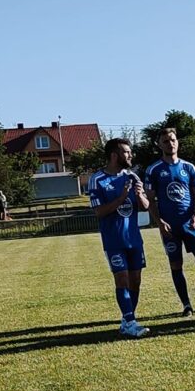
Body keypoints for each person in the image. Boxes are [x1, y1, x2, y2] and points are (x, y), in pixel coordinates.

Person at [143, 128, 195, 317]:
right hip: (170, 227)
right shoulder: (154, 170)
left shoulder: (189, 167)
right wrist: (160, 222)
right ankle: (186, 305)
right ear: (159, 145)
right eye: (165, 141)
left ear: (177, 142)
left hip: (191, 224)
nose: (170, 143)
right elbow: (150, 200)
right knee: (176, 265)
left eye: (172, 140)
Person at [87, 138, 150, 337]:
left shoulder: (132, 177)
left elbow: (146, 206)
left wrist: (139, 196)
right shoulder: (97, 179)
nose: (130, 156)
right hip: (114, 240)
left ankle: (127, 319)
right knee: (122, 280)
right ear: (114, 155)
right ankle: (130, 322)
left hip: (134, 239)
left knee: (136, 281)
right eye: (126, 152)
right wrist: (121, 198)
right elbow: (99, 211)